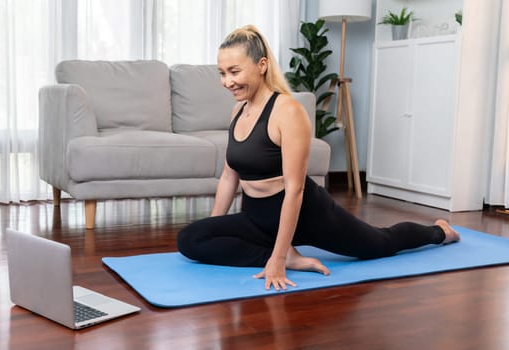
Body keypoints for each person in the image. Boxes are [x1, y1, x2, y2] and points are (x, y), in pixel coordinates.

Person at [177, 25, 460, 291]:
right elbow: (229, 176)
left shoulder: (287, 111)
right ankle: (288, 256)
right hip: (257, 217)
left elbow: (295, 189)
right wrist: (214, 227)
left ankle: (438, 232)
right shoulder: (238, 111)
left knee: (378, 243)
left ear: (261, 65)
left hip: (308, 215)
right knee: (191, 239)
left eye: (234, 72)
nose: (227, 82)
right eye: (222, 73)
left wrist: (276, 262)